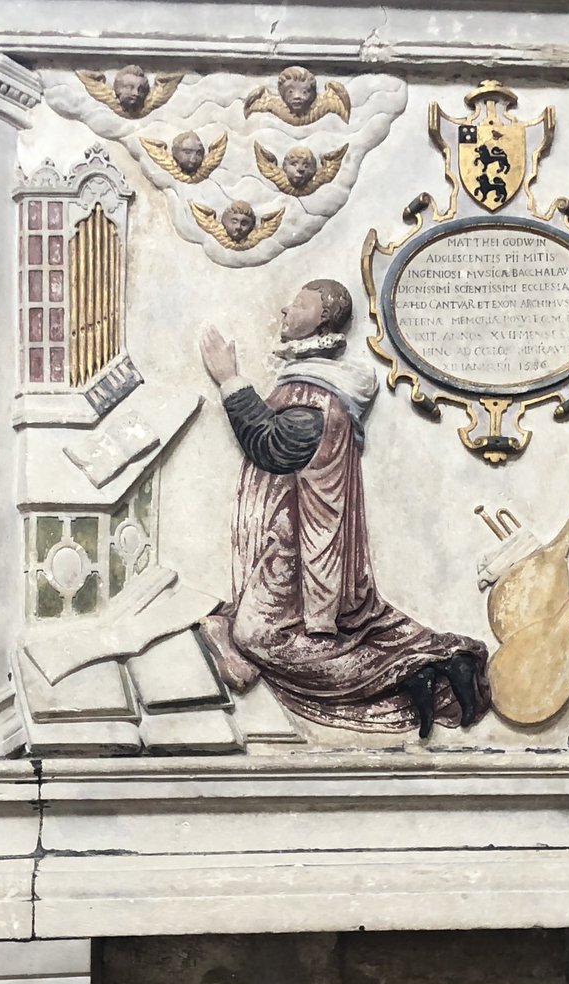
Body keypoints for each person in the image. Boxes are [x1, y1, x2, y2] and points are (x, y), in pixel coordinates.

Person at [198, 279, 489, 738]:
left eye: (299, 304)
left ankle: (410, 670)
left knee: (259, 637)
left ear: (323, 319)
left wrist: (230, 379)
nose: (285, 310)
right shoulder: (310, 383)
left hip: (301, 553)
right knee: (260, 627)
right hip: (297, 541)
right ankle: (432, 663)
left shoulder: (316, 392)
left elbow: (276, 447)